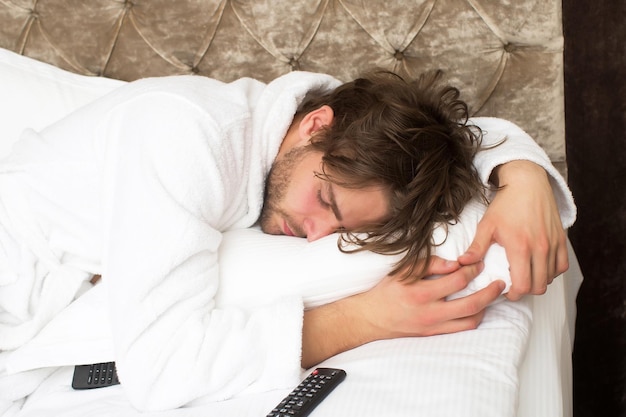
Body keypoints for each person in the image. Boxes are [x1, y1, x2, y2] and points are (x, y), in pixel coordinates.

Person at [0, 69, 575, 411]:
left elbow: (469, 136)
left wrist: (523, 177)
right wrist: (361, 321)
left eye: (342, 228)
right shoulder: (186, 137)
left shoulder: (308, 130)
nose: (316, 234)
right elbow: (162, 369)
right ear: (315, 126)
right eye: (326, 204)